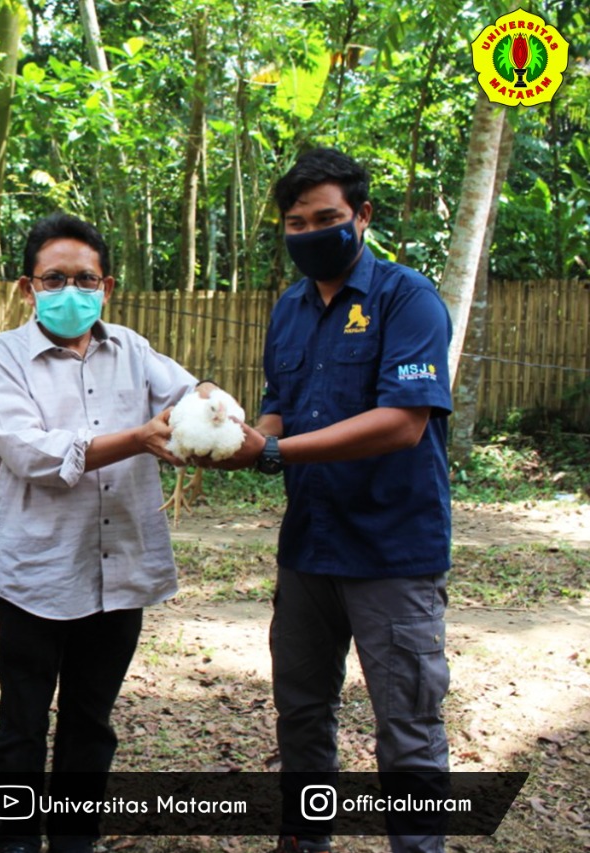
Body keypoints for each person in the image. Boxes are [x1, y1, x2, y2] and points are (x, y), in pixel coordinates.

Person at [231, 149, 454, 853]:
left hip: (391, 550)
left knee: (407, 725)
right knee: (301, 713)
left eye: (326, 218)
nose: (310, 232)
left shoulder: (406, 298)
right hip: (309, 549)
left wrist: (274, 450)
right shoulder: (289, 310)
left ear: (361, 217)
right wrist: (235, 436)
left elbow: (404, 420)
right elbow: (278, 408)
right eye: (296, 223)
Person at [0, 213, 218, 853]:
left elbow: (191, 394)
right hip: (38, 573)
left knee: (91, 720)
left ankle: (76, 839)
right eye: (55, 278)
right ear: (28, 288)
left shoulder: (132, 349)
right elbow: (32, 454)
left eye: (85, 278)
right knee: (22, 723)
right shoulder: (0, 356)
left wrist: (209, 399)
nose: (70, 290)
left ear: (106, 285)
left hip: (120, 570)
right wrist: (138, 437)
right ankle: (16, 841)